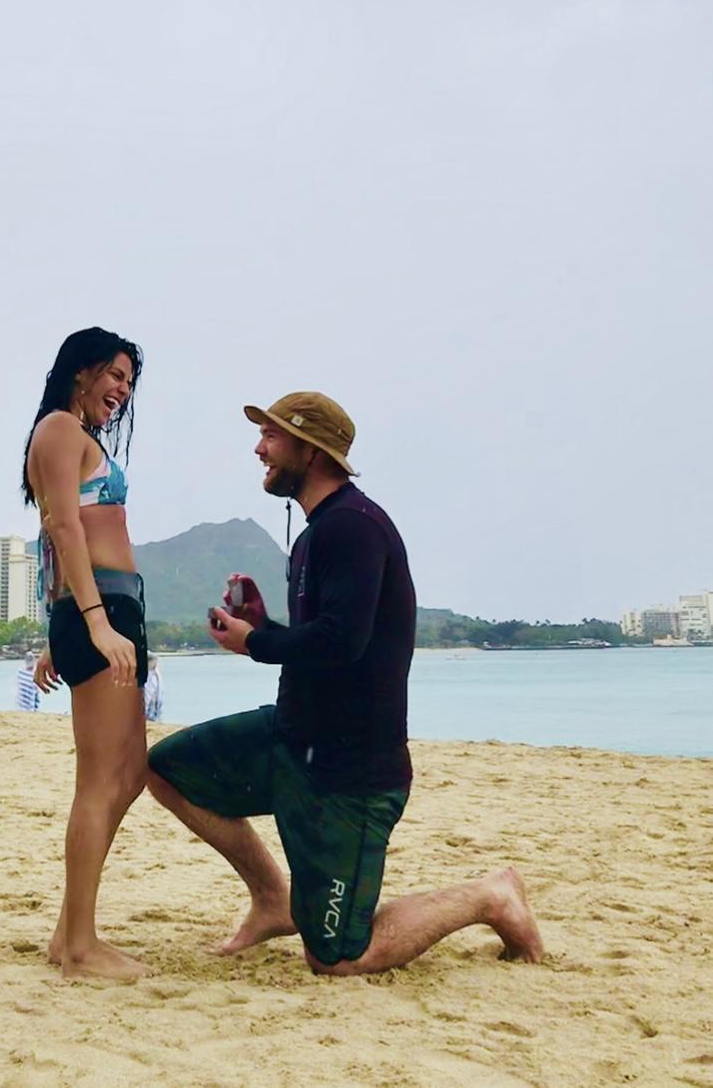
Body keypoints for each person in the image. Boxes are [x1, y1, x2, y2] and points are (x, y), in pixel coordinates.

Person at [147, 391, 543, 976]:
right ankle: (272, 899)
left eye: (272, 437)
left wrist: (255, 643)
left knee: (338, 959)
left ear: (311, 451)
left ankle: (492, 895)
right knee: (166, 769)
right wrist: (264, 627)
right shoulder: (315, 535)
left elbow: (341, 642)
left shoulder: (354, 528)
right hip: (293, 739)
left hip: (350, 772)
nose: (259, 449)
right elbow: (326, 641)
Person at [23, 326, 149, 981]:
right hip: (100, 611)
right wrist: (91, 623)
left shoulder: (73, 435)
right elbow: (63, 528)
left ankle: (68, 930)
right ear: (82, 370)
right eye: (115, 374)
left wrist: (62, 629)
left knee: (129, 773)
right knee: (102, 780)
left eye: (128, 380)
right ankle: (80, 946)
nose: (122, 389)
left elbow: (56, 538)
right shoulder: (58, 429)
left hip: (108, 608)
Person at [142, 652, 164, 722]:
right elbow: (147, 693)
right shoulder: (149, 675)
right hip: (149, 709)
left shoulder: (155, 673)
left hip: (155, 708)